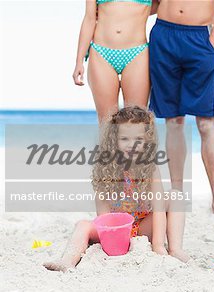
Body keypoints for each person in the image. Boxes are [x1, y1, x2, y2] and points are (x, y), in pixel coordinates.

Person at [43, 107, 187, 272]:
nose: (132, 145)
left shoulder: (150, 167)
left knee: (175, 196)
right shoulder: (104, 168)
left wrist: (158, 245)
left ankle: (175, 249)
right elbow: (103, 216)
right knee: (83, 225)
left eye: (138, 139)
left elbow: (159, 208)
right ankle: (67, 260)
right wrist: (113, 240)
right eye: (124, 138)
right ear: (113, 139)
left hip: (141, 227)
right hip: (114, 231)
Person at [149, 0, 214, 213]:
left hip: (200, 36)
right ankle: (177, 192)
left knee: (207, 124)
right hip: (164, 33)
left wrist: (213, 41)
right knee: (174, 121)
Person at [74, 0, 156, 121]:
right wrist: (79, 61)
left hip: (137, 54)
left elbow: (165, 6)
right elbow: (89, 19)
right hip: (101, 53)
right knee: (106, 123)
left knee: (137, 120)